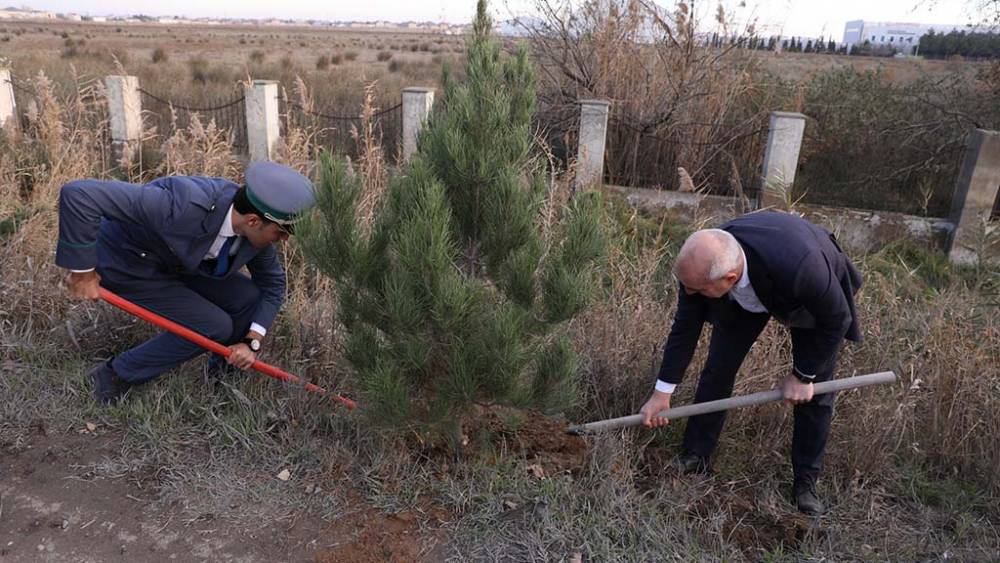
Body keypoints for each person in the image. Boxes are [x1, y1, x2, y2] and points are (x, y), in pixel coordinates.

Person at [638, 211, 863, 515]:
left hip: (806, 297)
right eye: (687, 286)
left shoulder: (802, 267)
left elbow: (837, 319)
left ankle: (805, 484)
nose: (689, 293)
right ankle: (696, 455)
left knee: (815, 392)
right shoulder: (701, 265)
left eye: (697, 290)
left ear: (729, 278)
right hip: (746, 292)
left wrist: (803, 376)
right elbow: (685, 328)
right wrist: (661, 393)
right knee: (718, 369)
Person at [56, 162, 316, 406]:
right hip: (127, 264)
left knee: (247, 297)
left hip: (179, 263)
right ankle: (113, 376)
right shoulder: (180, 204)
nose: (284, 240)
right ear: (253, 221)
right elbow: (80, 194)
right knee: (214, 326)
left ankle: (223, 378)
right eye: (280, 232)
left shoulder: (255, 236)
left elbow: (273, 285)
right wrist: (83, 272)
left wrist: (251, 342)